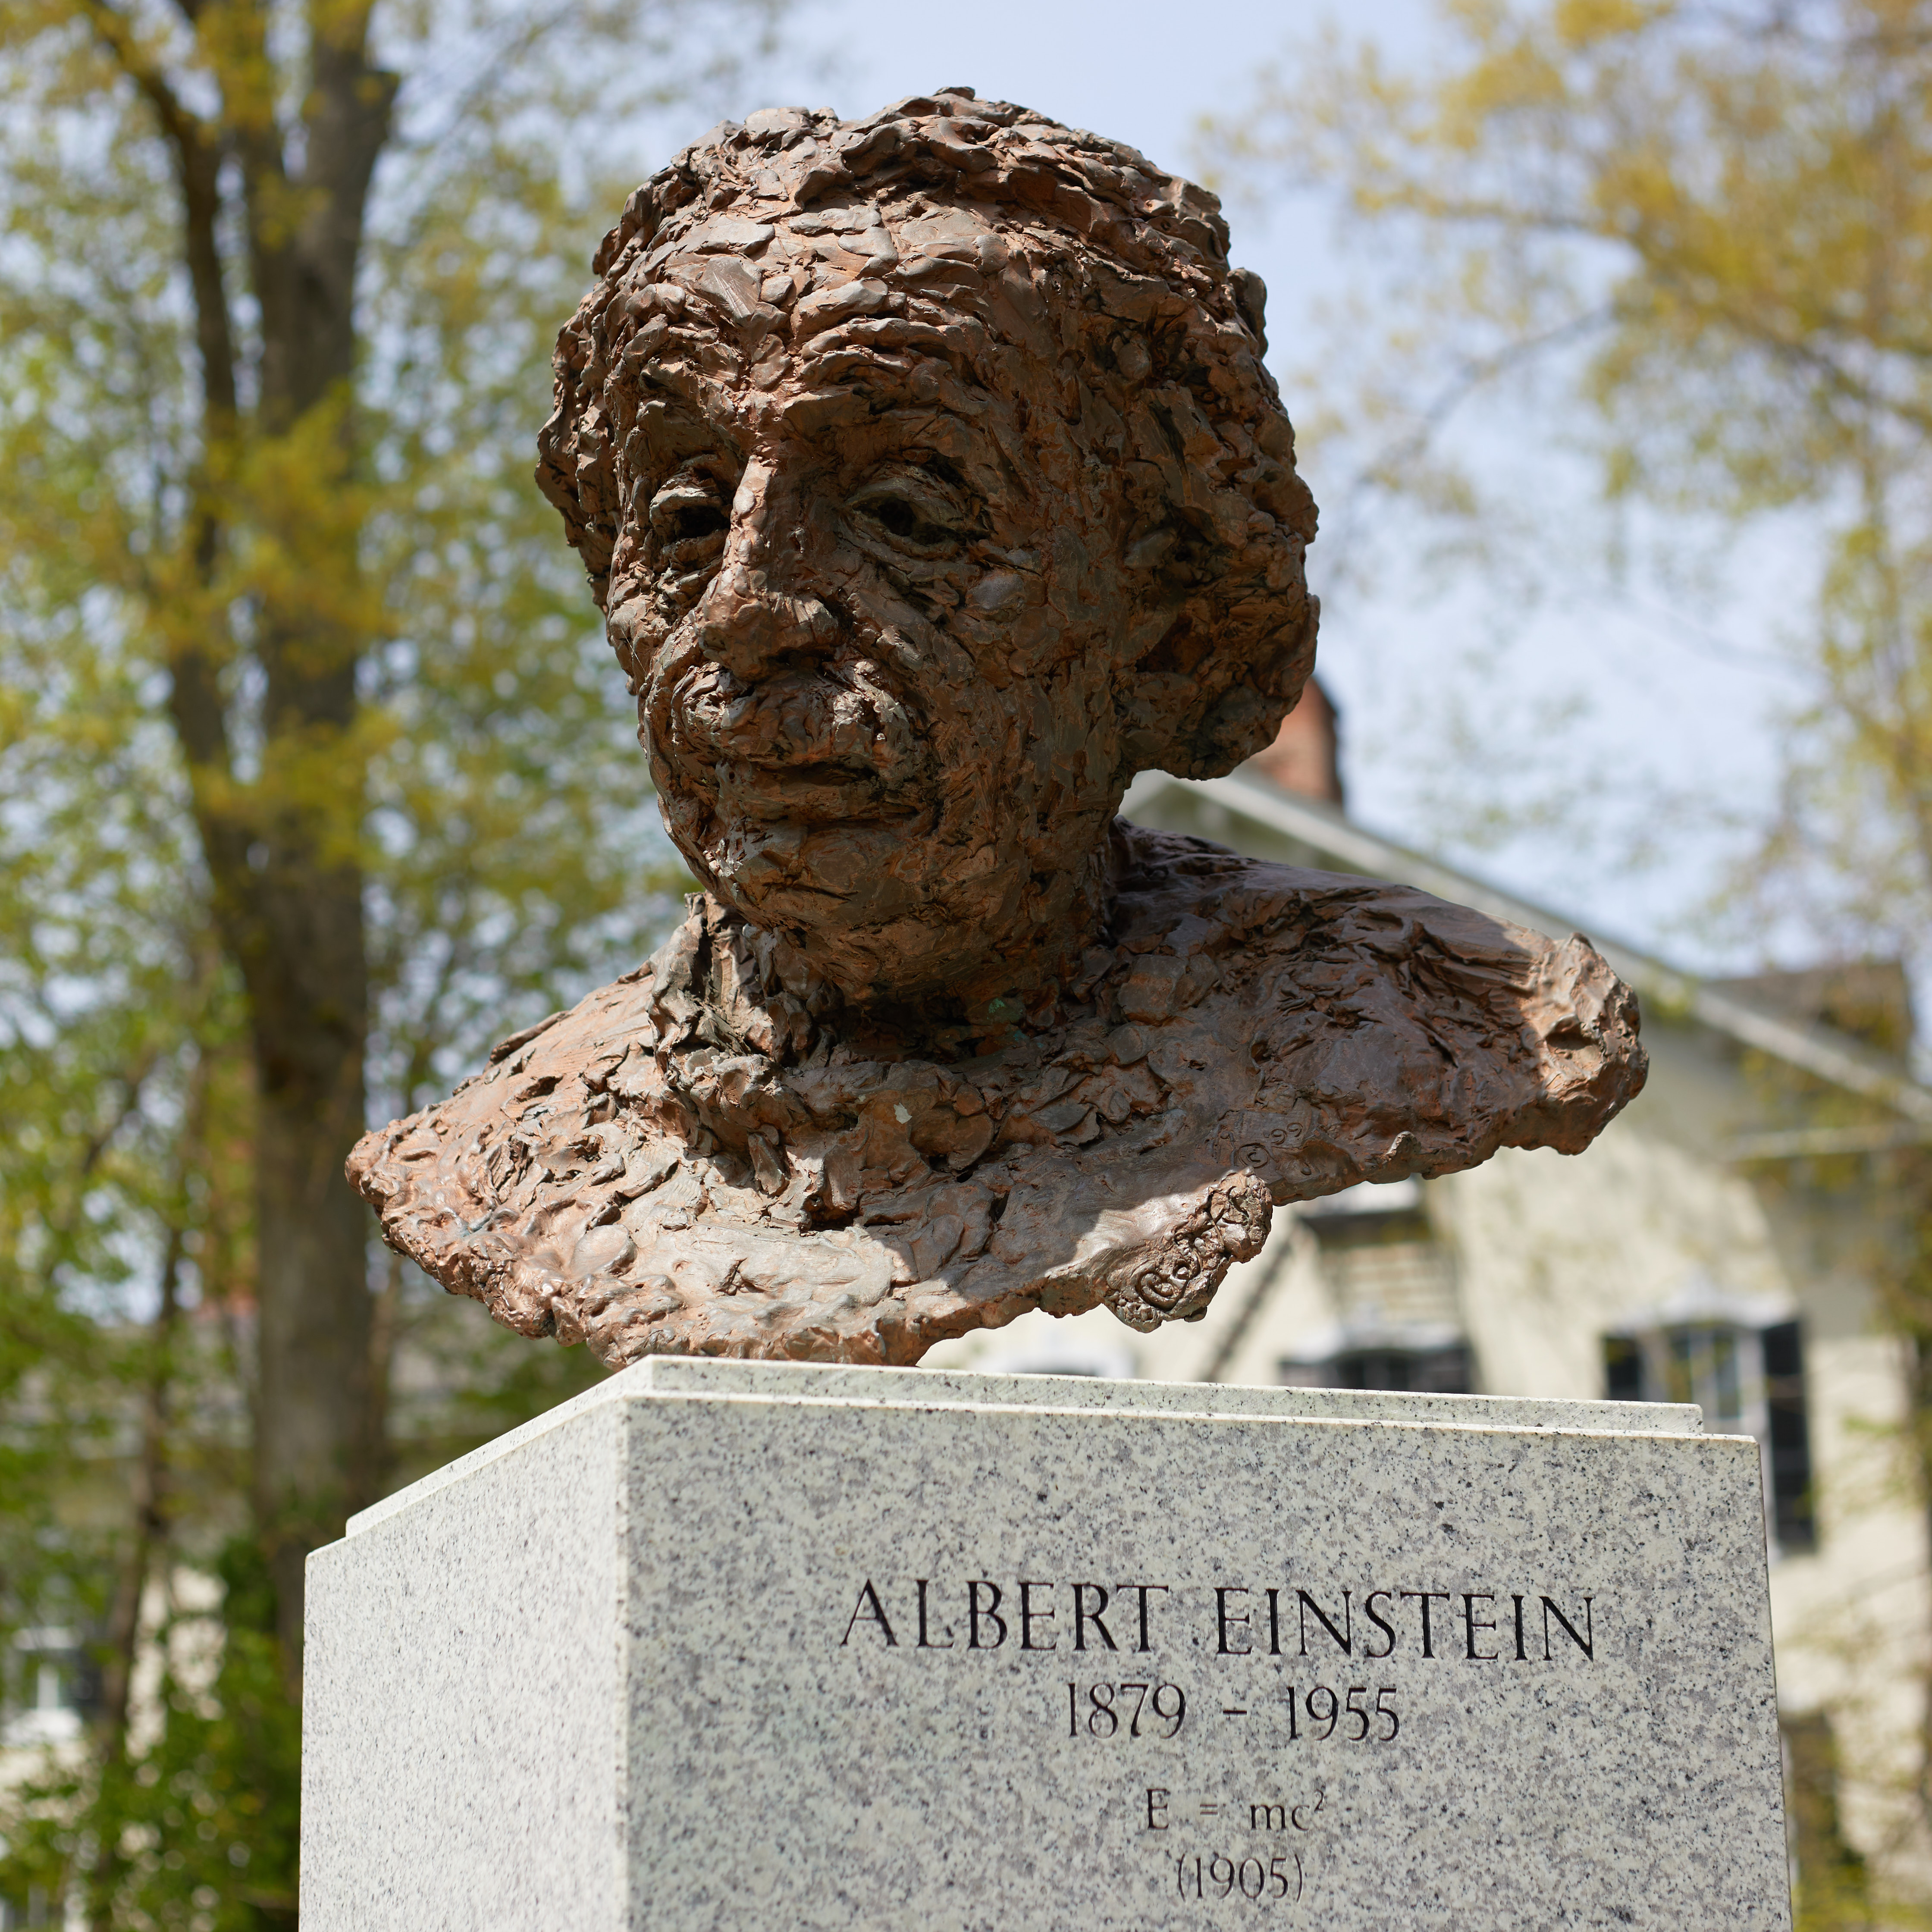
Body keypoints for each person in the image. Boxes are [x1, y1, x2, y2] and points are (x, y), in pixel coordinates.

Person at [350, 92, 1646, 1366]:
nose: (748, 606)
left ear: (1169, 617)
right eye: (687, 518)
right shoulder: (499, 1157)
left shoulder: (1439, 1020)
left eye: (911, 512)